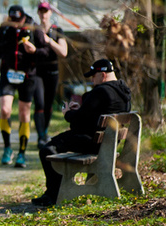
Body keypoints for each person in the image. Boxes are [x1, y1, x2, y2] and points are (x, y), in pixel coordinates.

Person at [33, 58, 132, 207]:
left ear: (103, 75)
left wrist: (67, 113)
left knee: (47, 150)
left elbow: (78, 122)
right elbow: (94, 114)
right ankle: (54, 193)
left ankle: (53, 195)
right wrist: (80, 109)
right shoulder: (124, 91)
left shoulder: (101, 91)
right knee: (56, 144)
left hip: (92, 144)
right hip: (108, 143)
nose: (92, 80)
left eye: (94, 76)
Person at [0, 4, 44, 168]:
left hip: (27, 75)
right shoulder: (5, 28)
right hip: (8, 73)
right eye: (12, 20)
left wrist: (34, 51)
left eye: (18, 20)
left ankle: (22, 152)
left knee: (23, 113)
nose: (15, 23)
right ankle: (7, 148)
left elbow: (44, 51)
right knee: (5, 109)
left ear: (24, 17)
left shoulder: (34, 28)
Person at [31, 2, 68, 148]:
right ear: (38, 13)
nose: (43, 14)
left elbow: (63, 52)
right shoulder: (35, 30)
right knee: (39, 103)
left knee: (48, 104)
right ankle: (40, 136)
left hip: (52, 72)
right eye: (40, 11)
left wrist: (49, 41)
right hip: (37, 72)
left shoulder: (57, 30)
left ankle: (45, 132)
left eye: (45, 11)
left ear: (50, 13)